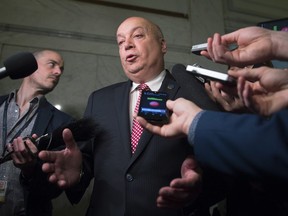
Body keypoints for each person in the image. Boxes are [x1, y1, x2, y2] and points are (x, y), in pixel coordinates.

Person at [39, 17, 222, 216]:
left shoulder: (194, 94)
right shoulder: (100, 100)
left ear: (162, 45)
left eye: (137, 35)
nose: (127, 44)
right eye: (120, 41)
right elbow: (87, 161)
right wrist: (78, 171)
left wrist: (197, 189)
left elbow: (222, 166)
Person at [0, 50, 74, 216]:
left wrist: (31, 170)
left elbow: (54, 189)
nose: (58, 72)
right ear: (28, 66)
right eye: (52, 65)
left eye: (61, 69)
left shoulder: (63, 124)